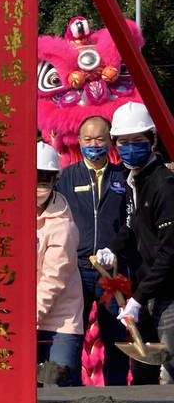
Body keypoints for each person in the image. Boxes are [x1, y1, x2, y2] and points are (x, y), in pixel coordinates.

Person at [96, 102, 174, 384]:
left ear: (153, 139)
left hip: (167, 297)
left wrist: (139, 299)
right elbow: (131, 228)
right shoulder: (134, 181)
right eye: (124, 142)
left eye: (138, 141)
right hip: (145, 294)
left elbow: (169, 251)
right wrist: (112, 249)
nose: (130, 148)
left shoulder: (164, 185)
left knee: (171, 368)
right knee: (142, 374)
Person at [56, 116, 129, 385]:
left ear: (109, 140)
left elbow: (130, 223)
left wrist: (117, 249)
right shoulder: (66, 177)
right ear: (80, 141)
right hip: (76, 270)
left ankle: (120, 392)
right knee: (72, 336)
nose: (93, 144)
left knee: (117, 336)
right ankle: (70, 393)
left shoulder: (123, 177)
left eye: (99, 139)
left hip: (113, 272)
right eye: (87, 140)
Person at [36, 141, 85, 386]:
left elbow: (53, 278)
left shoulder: (63, 226)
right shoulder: (8, 217)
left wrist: (29, 316)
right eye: (32, 178)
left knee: (58, 389)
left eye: (44, 180)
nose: (37, 186)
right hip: (26, 319)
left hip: (61, 321)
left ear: (55, 180)